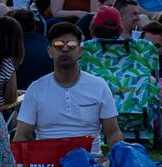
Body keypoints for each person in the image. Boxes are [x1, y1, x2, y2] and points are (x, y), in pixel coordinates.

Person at [14, 22, 124, 156]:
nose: (65, 49)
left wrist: (115, 160)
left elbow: (113, 132)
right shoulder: (36, 88)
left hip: (90, 164)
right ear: (50, 52)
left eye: (71, 45)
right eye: (59, 45)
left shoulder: (99, 86)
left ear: (80, 51)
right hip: (48, 166)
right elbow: (22, 137)